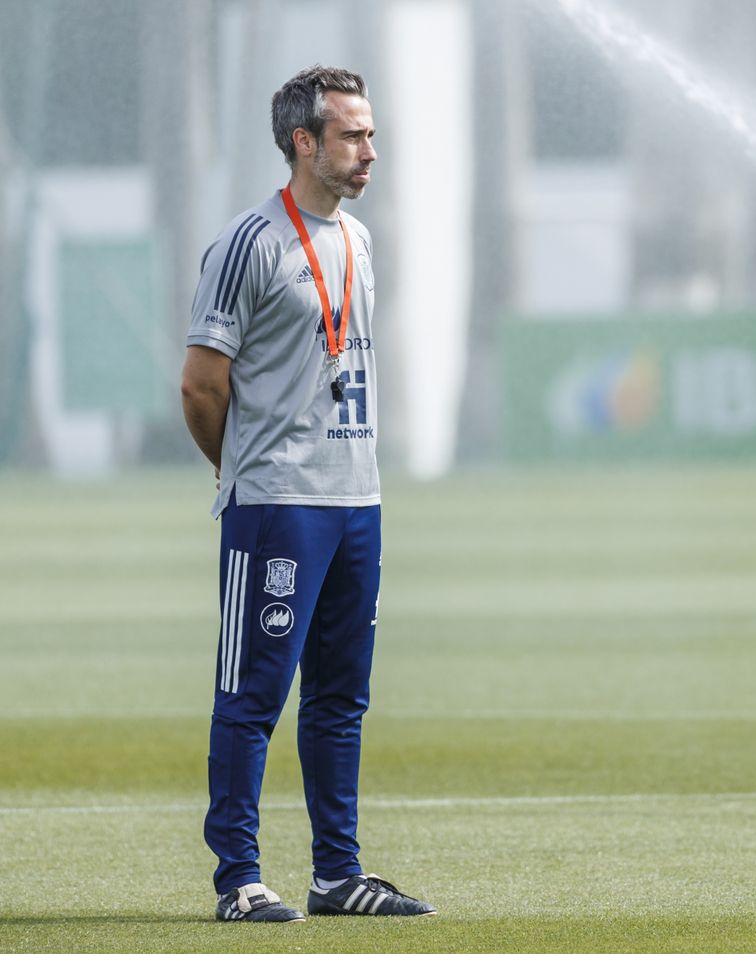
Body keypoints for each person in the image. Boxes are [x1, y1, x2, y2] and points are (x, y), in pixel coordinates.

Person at [180, 65, 434, 923]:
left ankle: (338, 874)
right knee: (252, 695)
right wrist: (240, 469)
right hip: (277, 503)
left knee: (340, 697)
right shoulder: (249, 244)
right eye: (353, 135)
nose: (370, 150)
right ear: (304, 142)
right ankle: (239, 879)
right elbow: (200, 386)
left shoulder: (358, 241)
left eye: (369, 134)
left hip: (354, 498)